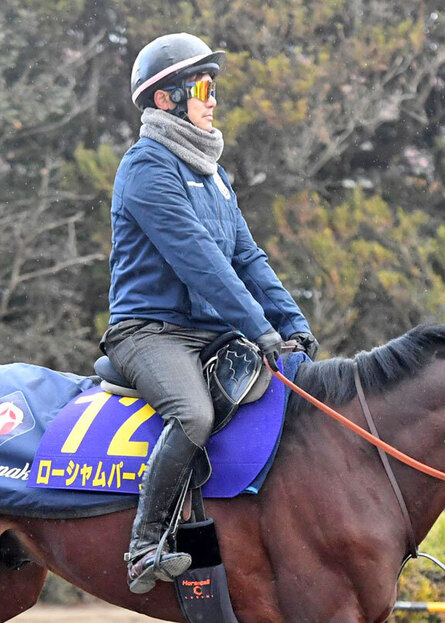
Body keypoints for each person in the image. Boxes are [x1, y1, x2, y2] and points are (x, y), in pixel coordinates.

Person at [101, 32, 319, 594]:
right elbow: (201, 263)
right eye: (202, 87)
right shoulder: (146, 168)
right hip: (149, 334)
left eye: (214, 86)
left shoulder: (215, 175)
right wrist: (261, 330)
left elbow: (247, 256)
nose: (213, 98)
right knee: (194, 416)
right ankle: (144, 547)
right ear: (167, 99)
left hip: (211, 334)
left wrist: (292, 325)